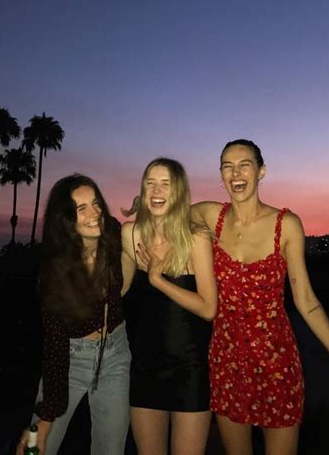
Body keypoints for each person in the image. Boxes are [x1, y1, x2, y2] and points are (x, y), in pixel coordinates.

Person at [191, 139, 329, 455]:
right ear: (220, 175)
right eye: (227, 166)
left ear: (261, 172)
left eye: (244, 164)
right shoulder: (207, 215)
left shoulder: (285, 225)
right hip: (226, 360)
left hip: (276, 362)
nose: (236, 173)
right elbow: (169, 217)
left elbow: (306, 300)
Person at [16, 174, 131, 455]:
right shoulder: (56, 273)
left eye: (96, 203)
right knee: (37, 446)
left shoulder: (114, 239)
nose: (94, 214)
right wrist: (46, 417)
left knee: (111, 449)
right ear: (66, 219)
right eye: (81, 209)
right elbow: (55, 346)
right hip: (71, 357)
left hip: (115, 355)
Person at [121, 158, 218, 455]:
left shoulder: (196, 237)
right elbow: (119, 290)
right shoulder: (131, 233)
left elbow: (208, 309)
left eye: (165, 183)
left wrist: (157, 279)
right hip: (144, 367)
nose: (156, 190)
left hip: (190, 369)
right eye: (150, 183)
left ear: (178, 192)